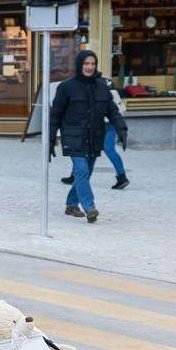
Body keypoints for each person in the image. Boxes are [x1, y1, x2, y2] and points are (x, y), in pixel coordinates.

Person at [48, 49, 127, 223]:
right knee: (81, 170)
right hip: (73, 136)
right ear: (79, 65)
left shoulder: (102, 86)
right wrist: (51, 138)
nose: (90, 67)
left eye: (93, 64)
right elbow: (55, 115)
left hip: (95, 136)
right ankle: (90, 207)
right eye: (86, 63)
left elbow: (112, 111)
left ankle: (71, 204)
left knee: (86, 173)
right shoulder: (66, 87)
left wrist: (122, 129)